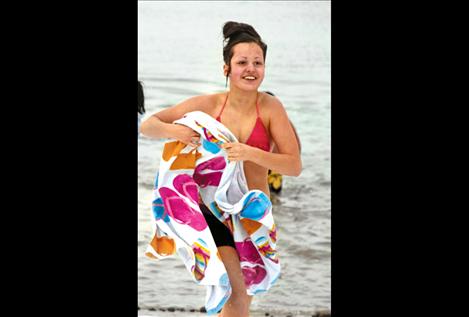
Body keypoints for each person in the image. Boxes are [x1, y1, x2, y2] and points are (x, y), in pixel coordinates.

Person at [141, 21, 302, 317]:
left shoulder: (270, 109)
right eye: (242, 62)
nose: (250, 68)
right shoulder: (209, 105)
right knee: (234, 291)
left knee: (241, 298)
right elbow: (148, 125)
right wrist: (175, 132)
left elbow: (293, 164)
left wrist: (249, 152)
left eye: (258, 62)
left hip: (253, 216)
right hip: (212, 211)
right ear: (227, 67)